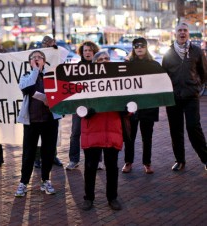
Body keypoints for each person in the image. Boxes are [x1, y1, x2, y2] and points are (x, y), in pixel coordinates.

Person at [15, 50, 61, 197]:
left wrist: (51, 101)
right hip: (32, 121)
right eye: (33, 58)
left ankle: (46, 180)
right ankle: (23, 182)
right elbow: (27, 88)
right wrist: (35, 70)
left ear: (44, 61)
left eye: (39, 57)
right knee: (29, 153)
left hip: (49, 120)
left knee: (48, 152)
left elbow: (58, 93)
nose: (36, 59)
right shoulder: (26, 76)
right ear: (30, 62)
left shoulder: (51, 76)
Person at [80, 51, 123, 211]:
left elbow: (128, 100)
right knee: (90, 166)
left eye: (106, 59)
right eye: (100, 59)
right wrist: (85, 110)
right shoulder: (85, 81)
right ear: (95, 63)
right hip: (93, 129)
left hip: (112, 129)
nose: (104, 61)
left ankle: (112, 197)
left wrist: (127, 110)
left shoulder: (119, 81)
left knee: (112, 167)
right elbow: (76, 103)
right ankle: (88, 198)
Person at [162, 22, 207, 171]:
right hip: (172, 97)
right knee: (175, 129)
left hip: (191, 96)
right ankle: (180, 160)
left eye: (185, 30)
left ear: (189, 33)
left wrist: (197, 88)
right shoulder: (168, 54)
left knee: (193, 127)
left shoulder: (196, 51)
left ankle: (205, 159)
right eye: (179, 30)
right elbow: (163, 76)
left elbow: (203, 73)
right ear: (175, 33)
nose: (182, 33)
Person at [122, 37, 160, 174]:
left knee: (147, 137)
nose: (139, 48)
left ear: (146, 47)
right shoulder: (126, 65)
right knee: (129, 137)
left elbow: (160, 84)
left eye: (142, 46)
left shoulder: (154, 64)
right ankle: (128, 162)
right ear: (133, 48)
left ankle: (147, 163)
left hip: (148, 106)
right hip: (131, 106)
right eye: (136, 46)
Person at [66, 41, 100, 170]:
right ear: (82, 52)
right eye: (85, 50)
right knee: (75, 132)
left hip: (96, 105)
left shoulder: (99, 66)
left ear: (94, 52)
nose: (87, 53)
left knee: (96, 133)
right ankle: (73, 160)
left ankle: (98, 160)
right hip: (79, 105)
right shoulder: (77, 67)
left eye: (90, 50)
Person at [34, 35, 63, 168]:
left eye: (50, 43)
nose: (48, 45)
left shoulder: (56, 55)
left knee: (53, 132)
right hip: (40, 98)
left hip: (53, 96)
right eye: (46, 44)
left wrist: (56, 51)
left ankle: (53, 156)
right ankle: (37, 158)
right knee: (39, 131)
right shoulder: (36, 56)